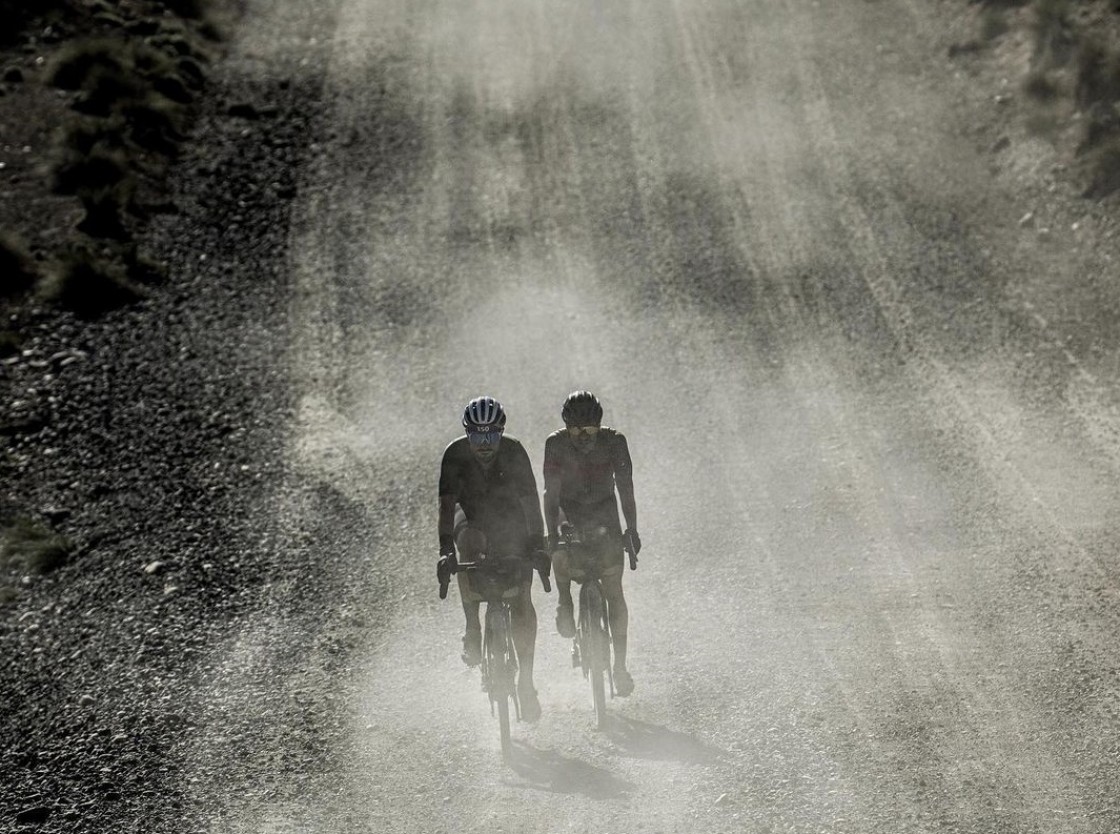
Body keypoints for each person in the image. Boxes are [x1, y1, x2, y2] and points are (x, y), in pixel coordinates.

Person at [437, 395, 550, 721]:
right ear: (467, 433)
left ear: (501, 433)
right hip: (468, 516)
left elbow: (531, 505)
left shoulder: (514, 453)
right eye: (476, 435)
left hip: (509, 519)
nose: (484, 443)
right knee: (467, 548)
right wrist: (445, 549)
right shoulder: (454, 455)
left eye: (491, 436)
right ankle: (472, 625)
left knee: (521, 597)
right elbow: (445, 509)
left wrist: (535, 545)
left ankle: (526, 683)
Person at [542, 390, 641, 696]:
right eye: (575, 430)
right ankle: (565, 602)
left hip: (604, 513)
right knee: (560, 554)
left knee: (614, 590)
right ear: (566, 427)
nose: (583, 437)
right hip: (568, 512)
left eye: (590, 430)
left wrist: (632, 529)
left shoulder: (615, 442)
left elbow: (626, 490)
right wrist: (554, 534)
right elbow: (551, 496)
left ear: (600, 425)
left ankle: (620, 667)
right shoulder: (555, 445)